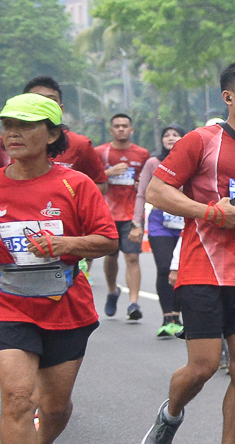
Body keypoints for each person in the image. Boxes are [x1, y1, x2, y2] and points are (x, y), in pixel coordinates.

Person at [135, 61, 235, 444]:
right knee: (201, 367)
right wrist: (210, 212)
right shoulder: (201, 140)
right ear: (229, 97)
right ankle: (170, 415)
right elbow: (157, 191)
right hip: (203, 267)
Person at [0, 94, 116, 444]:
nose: (13, 133)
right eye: (8, 124)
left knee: (54, 406)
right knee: (16, 397)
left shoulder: (75, 185)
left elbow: (108, 239)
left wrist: (66, 244)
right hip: (9, 303)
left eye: (25, 125)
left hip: (65, 305)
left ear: (51, 135)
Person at [135, 126, 187, 337]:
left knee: (181, 269)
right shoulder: (153, 163)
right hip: (159, 221)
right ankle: (168, 317)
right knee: (165, 267)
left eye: (175, 135)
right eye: (166, 135)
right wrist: (136, 222)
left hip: (185, 219)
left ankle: (178, 315)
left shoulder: (191, 160)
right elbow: (141, 193)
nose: (170, 138)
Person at [100, 111, 150, 322]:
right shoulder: (101, 153)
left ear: (131, 130)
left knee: (132, 257)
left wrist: (141, 184)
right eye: (117, 126)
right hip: (107, 213)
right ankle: (113, 291)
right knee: (111, 256)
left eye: (125, 126)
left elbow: (148, 181)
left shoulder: (142, 154)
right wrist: (108, 173)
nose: (121, 129)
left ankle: (133, 303)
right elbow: (89, 181)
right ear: (111, 130)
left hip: (132, 213)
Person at [21, 78, 108, 191]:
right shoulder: (8, 143)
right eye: (37, 100)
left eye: (51, 101)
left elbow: (100, 184)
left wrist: (70, 196)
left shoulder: (80, 144)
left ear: (60, 109)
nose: (44, 106)